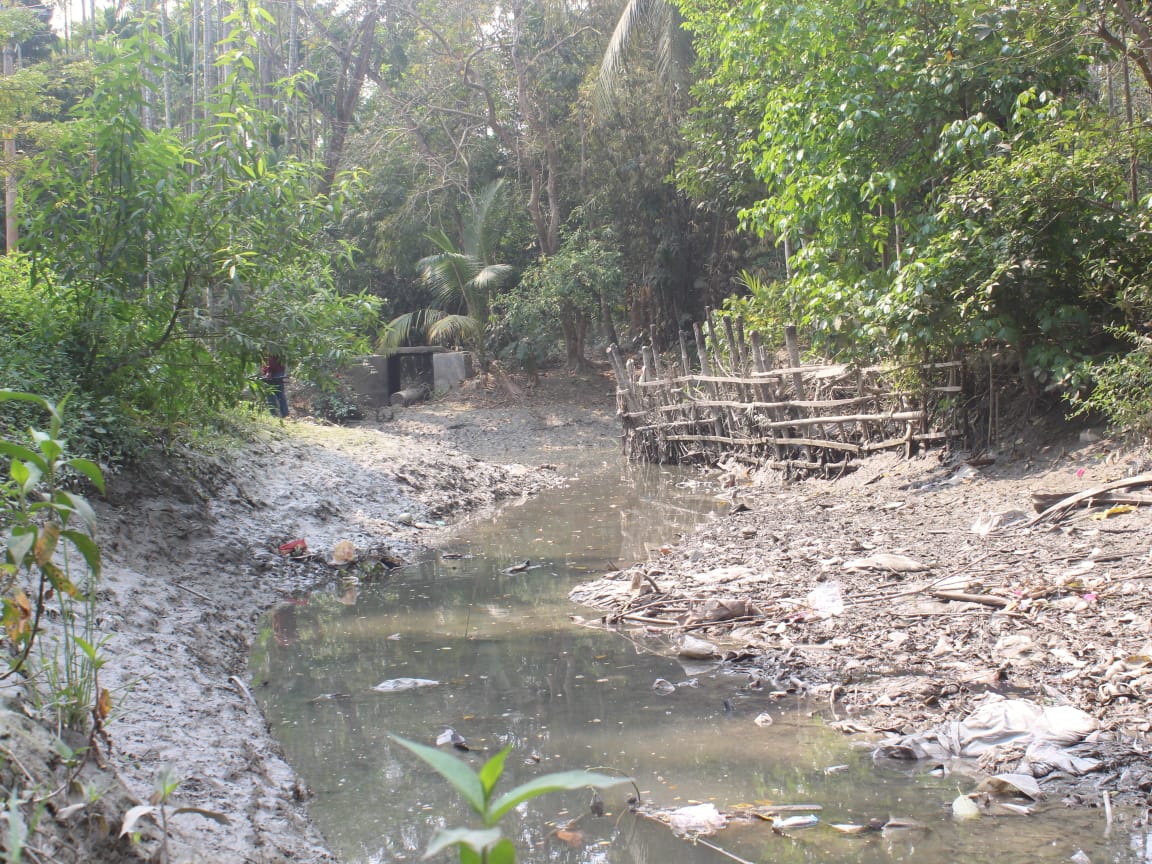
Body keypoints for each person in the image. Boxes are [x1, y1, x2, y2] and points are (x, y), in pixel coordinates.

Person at [261, 353, 289, 418]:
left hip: (275, 370)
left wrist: (269, 371)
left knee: (273, 393)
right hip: (276, 370)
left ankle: (277, 415)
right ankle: (281, 414)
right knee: (277, 394)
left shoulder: (271, 347)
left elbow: (270, 359)